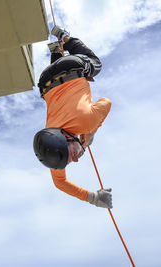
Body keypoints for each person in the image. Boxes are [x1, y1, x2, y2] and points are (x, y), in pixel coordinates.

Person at [33, 26, 113, 209]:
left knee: (96, 63)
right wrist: (92, 197)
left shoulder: (86, 123)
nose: (76, 159)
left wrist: (92, 132)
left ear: (66, 138)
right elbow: (60, 183)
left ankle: (65, 37)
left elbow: (106, 102)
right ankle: (55, 51)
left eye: (73, 155)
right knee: (56, 76)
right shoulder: (54, 147)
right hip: (45, 80)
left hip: (72, 65)